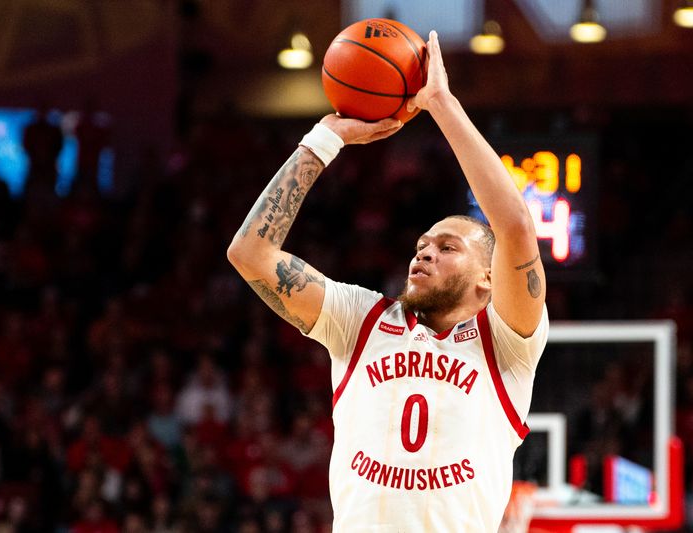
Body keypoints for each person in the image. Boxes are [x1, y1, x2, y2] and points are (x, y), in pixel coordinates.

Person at [227, 31, 548, 531]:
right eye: (421, 245)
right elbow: (250, 253)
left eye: (446, 248)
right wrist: (325, 138)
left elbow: (513, 226)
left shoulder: (507, 344)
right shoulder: (359, 321)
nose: (424, 253)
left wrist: (440, 103)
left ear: (489, 277)